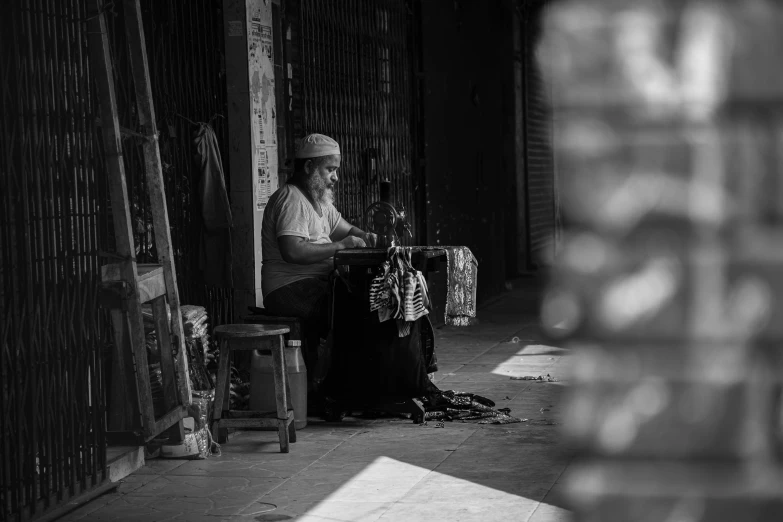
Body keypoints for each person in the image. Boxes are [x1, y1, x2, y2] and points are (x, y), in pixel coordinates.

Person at [261, 133, 376, 385]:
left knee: (368, 302)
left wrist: (365, 235)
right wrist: (340, 247)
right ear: (309, 167)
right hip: (288, 288)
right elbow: (293, 250)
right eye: (330, 169)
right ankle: (335, 386)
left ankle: (349, 384)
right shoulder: (292, 199)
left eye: (336, 170)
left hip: (310, 283)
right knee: (354, 310)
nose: (335, 177)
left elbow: (346, 230)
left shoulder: (319, 201)